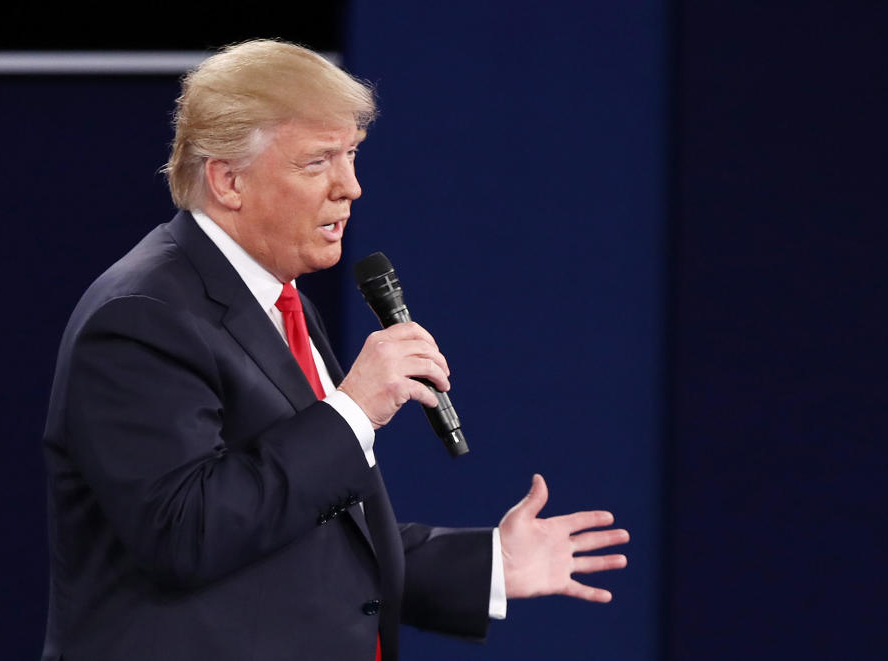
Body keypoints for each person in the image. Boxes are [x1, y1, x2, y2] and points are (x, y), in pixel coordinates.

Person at [41, 39, 629, 661]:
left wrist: (489, 565)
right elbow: (187, 533)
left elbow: (306, 535)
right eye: (317, 162)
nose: (350, 187)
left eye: (350, 155)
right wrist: (353, 413)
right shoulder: (143, 316)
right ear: (228, 179)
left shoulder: (276, 301)